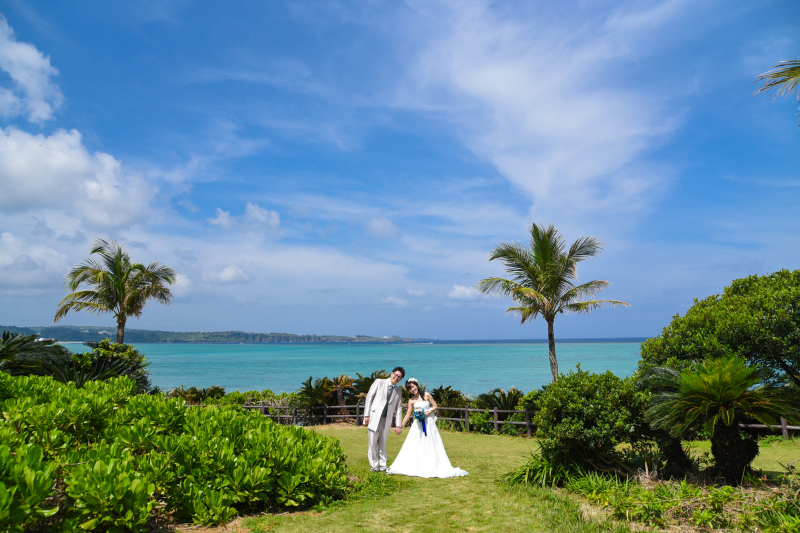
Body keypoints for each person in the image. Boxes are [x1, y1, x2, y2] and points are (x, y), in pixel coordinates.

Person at [387, 378, 468, 478]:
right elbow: (408, 415)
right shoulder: (411, 400)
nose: (412, 389)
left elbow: (435, 406)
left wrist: (427, 413)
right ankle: (417, 464)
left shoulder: (427, 395)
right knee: (416, 442)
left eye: (413, 386)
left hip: (429, 423)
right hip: (417, 425)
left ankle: (432, 464)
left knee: (430, 442)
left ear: (416, 385)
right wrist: (401, 426)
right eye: (410, 389)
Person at [364, 366, 405, 472]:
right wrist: (366, 415)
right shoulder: (379, 382)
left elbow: (399, 408)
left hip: (386, 419)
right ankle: (374, 465)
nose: (396, 377)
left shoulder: (398, 391)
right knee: (372, 441)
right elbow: (369, 398)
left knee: (383, 441)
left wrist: (398, 425)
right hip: (374, 417)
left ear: (401, 379)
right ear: (391, 374)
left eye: (399, 377)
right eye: (395, 375)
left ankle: (382, 465)